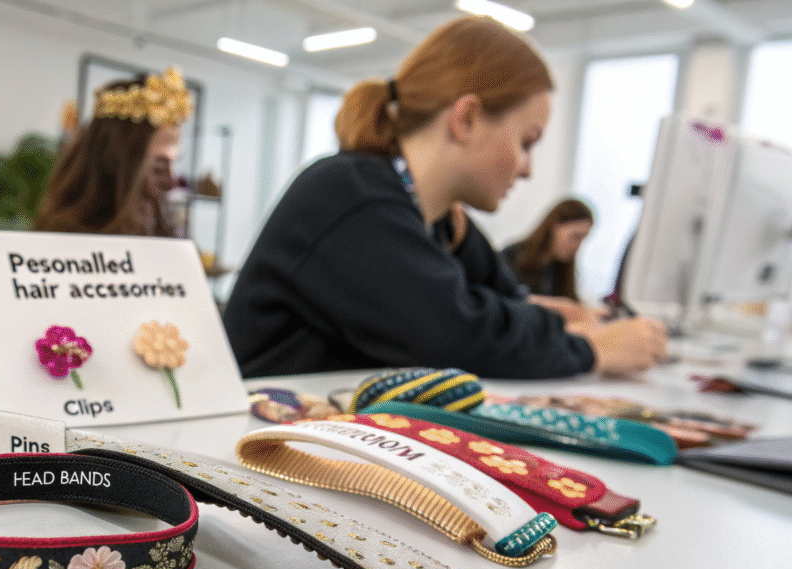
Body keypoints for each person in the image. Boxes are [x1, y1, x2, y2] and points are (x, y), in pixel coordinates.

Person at [222, 16, 667, 379]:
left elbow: (506, 298)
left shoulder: (430, 217)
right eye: (526, 142)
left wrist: (558, 318)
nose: (528, 168)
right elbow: (458, 335)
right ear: (466, 118)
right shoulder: (351, 196)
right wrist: (592, 350)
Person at [33, 67, 193, 236]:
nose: (171, 183)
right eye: (158, 167)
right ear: (113, 163)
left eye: (175, 163)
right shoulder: (60, 243)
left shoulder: (163, 239)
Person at [498, 197, 607, 326]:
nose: (577, 246)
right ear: (554, 226)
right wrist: (562, 307)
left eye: (582, 239)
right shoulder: (511, 256)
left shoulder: (560, 268)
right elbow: (504, 301)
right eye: (575, 236)